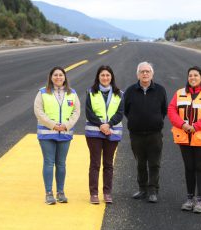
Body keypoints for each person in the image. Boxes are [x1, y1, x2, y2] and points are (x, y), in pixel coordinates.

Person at [168, 66, 201, 213]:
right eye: (190, 75)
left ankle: (200, 200)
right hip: (184, 135)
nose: (192, 78)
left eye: (196, 75)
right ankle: (189, 198)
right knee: (189, 167)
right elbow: (171, 110)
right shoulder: (179, 93)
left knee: (200, 167)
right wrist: (183, 125)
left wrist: (196, 127)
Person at [34, 66, 80, 205]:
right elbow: (38, 111)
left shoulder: (72, 93)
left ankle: (60, 192)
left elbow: (76, 112)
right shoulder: (42, 92)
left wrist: (67, 125)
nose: (58, 77)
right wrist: (52, 125)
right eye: (55, 75)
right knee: (49, 162)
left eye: (61, 75)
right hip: (47, 133)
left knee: (61, 164)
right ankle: (49, 193)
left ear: (65, 77)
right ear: (51, 77)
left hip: (65, 133)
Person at [124, 62, 167, 203]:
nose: (145, 74)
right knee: (140, 163)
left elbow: (164, 110)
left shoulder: (160, 90)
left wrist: (155, 121)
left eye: (147, 71)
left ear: (152, 74)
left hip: (154, 134)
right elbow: (125, 110)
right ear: (137, 74)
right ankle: (142, 189)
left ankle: (153, 190)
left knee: (154, 164)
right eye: (142, 71)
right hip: (136, 134)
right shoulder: (130, 91)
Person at [85, 65, 124, 204]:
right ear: (98, 77)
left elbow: (120, 113)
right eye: (102, 75)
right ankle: (94, 194)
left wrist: (109, 125)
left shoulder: (119, 93)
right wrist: (101, 125)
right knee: (95, 163)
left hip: (112, 132)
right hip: (94, 133)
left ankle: (107, 193)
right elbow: (89, 112)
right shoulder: (91, 92)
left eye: (108, 75)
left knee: (108, 164)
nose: (105, 78)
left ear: (111, 77)